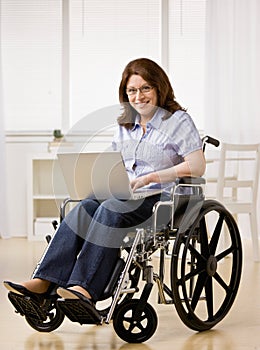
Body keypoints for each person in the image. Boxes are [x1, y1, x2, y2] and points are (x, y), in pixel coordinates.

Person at [3, 58, 206, 311]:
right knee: (85, 206)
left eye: (145, 88)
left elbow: (197, 166)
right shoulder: (125, 125)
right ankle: (45, 280)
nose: (138, 96)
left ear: (159, 88)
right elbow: (113, 162)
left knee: (110, 208)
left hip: (158, 199)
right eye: (132, 90)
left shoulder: (176, 121)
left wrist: (151, 177)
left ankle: (85, 287)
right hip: (125, 192)